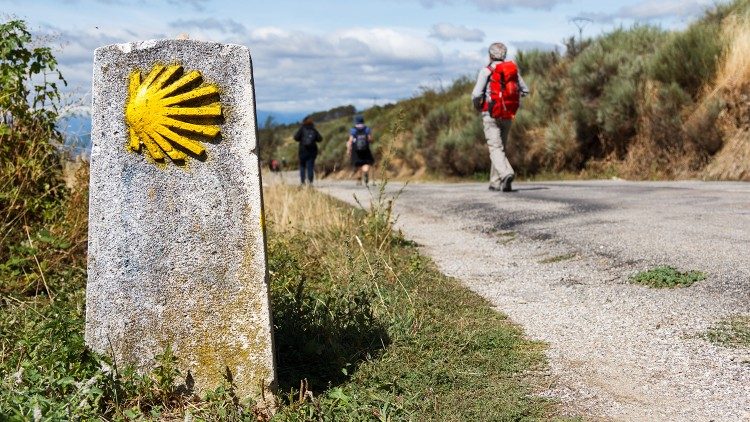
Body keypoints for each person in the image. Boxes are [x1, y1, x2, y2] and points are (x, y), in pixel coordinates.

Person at [471, 42, 529, 192]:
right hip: (508, 114)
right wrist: (511, 99)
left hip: (490, 114)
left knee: (495, 148)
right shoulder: (512, 70)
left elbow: (476, 94)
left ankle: (506, 174)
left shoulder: (486, 71)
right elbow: (525, 90)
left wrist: (478, 106)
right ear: (504, 55)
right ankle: (495, 182)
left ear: (490, 55)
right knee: (500, 148)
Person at [293, 116, 322, 185]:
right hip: (312, 152)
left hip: (302, 151)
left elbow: (296, 138)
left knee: (302, 166)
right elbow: (320, 139)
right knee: (310, 167)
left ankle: (303, 182)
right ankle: (310, 183)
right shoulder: (314, 129)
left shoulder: (302, 129)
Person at [347, 115, 374, 186]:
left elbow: (350, 141)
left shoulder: (353, 130)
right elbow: (370, 139)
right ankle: (365, 172)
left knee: (358, 164)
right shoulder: (367, 129)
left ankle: (359, 179)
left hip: (356, 150)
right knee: (366, 163)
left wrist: (349, 150)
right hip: (365, 149)